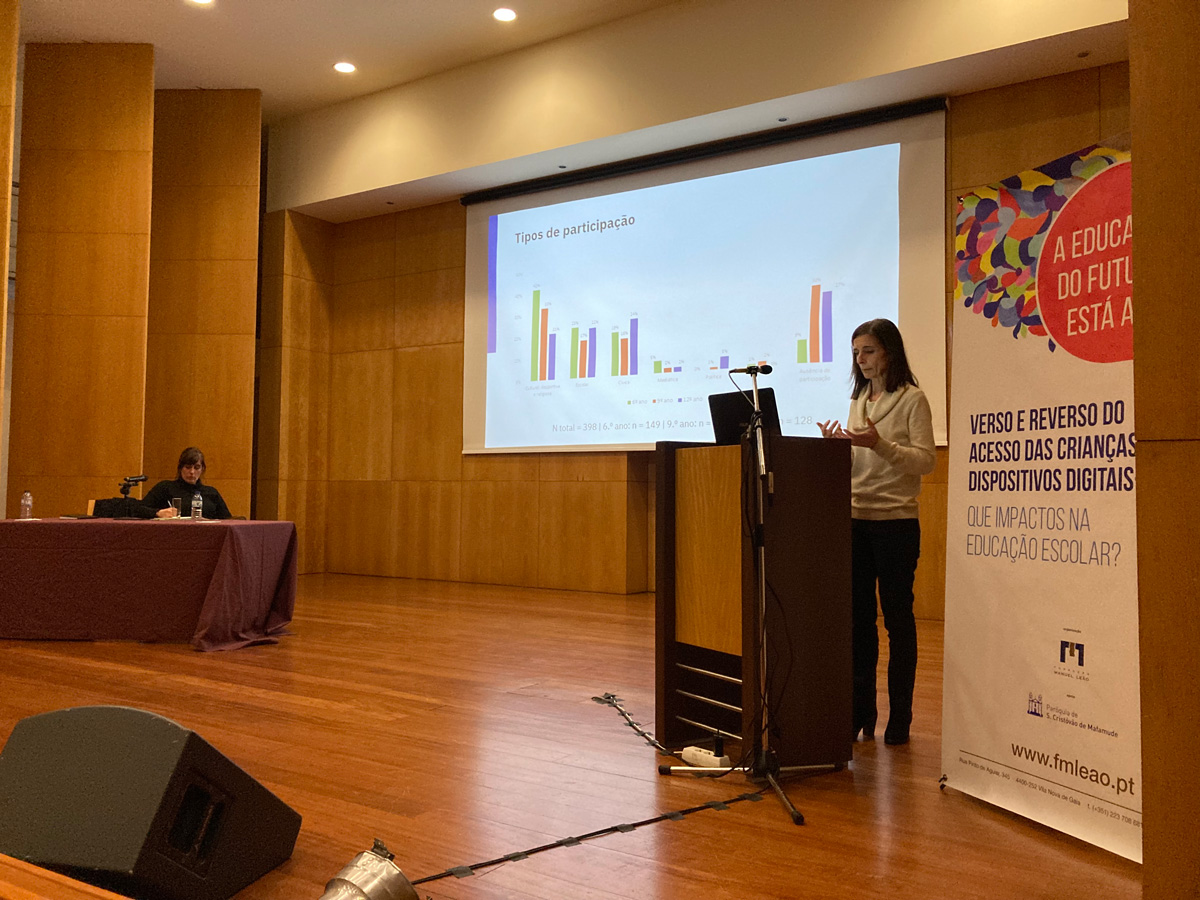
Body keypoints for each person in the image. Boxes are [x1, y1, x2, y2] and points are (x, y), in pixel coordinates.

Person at [818, 319, 935, 746]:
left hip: (896, 524)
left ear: (889, 351)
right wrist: (838, 451)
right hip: (855, 520)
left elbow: (925, 460)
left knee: (898, 622)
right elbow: (859, 465)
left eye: (867, 351)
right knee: (858, 623)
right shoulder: (858, 400)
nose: (861, 360)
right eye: (855, 353)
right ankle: (860, 711)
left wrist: (879, 444)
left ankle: (899, 717)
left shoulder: (912, 399)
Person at [142, 447, 233, 520]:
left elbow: (227, 520)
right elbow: (140, 509)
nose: (192, 472)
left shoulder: (211, 493)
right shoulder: (165, 488)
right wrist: (158, 513)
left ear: (202, 469)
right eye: (188, 467)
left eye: (197, 467)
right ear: (180, 468)